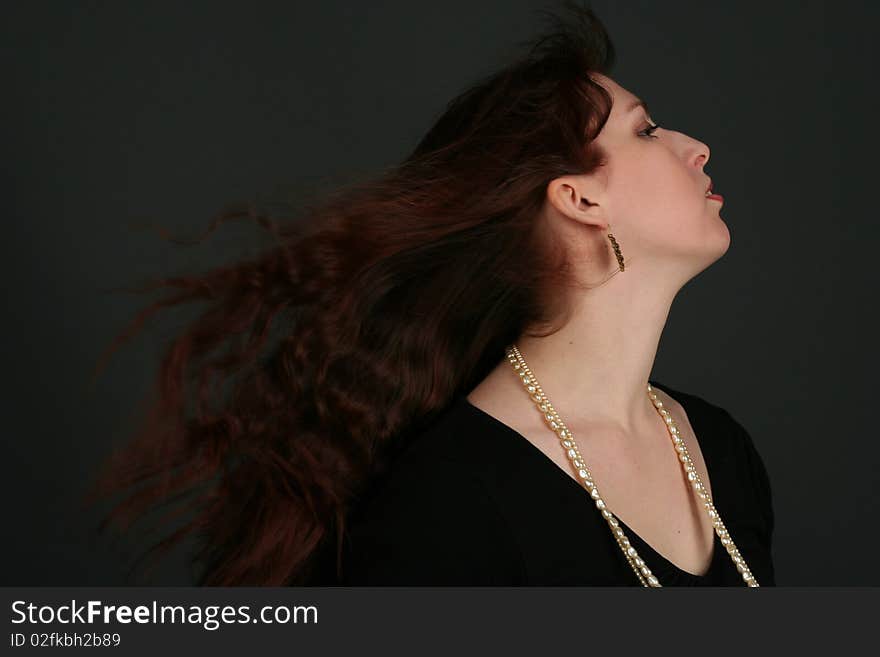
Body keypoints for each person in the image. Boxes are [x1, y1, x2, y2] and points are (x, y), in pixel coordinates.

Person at [88, 2, 774, 586]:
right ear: (578, 197)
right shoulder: (451, 502)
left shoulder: (721, 448)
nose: (697, 146)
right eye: (647, 129)